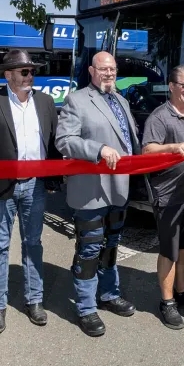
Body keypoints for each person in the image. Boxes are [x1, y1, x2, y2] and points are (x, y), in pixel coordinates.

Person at [0, 49, 61, 335]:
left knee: (33, 243)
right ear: (8, 74)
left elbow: (55, 143)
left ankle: (34, 300)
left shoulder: (46, 103)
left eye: (32, 71)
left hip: (35, 185)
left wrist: (57, 177)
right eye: (24, 72)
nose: (30, 76)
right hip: (2, 188)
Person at [55, 51, 139, 337]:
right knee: (89, 250)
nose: (109, 73)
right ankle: (86, 308)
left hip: (119, 188)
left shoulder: (122, 101)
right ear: (92, 71)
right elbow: (64, 141)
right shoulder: (76, 100)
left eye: (113, 69)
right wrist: (98, 150)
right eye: (103, 69)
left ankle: (109, 294)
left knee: (111, 246)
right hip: (90, 190)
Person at [142, 65, 184, 330]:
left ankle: (182, 292)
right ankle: (167, 301)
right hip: (169, 194)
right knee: (169, 250)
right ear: (171, 87)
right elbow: (147, 150)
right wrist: (172, 147)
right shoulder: (160, 117)